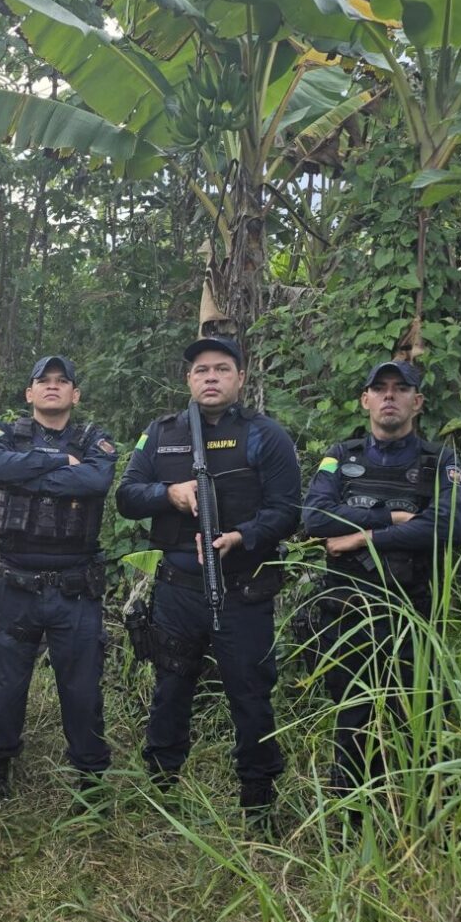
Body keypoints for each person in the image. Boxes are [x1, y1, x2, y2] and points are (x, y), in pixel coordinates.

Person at [115, 336, 300, 822]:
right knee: (170, 690)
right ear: (188, 380)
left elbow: (288, 511)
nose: (211, 377)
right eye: (201, 370)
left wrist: (242, 536)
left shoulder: (266, 435)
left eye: (222, 369)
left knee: (250, 694)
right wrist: (168, 494)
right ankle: (161, 796)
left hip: (243, 590)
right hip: (178, 589)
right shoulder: (160, 433)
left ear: (240, 377)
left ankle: (258, 803)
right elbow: (127, 496)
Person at [301, 358, 461, 806]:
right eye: (380, 388)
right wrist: (391, 517)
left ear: (418, 401)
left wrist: (363, 536)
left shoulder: (440, 460)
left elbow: (450, 526)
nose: (389, 395)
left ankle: (418, 818)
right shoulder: (341, 455)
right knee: (352, 721)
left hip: (414, 616)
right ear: (365, 400)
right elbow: (315, 518)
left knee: (416, 723)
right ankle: (352, 821)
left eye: (400, 388)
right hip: (349, 615)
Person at [0, 355, 116, 798]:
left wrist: (33, 474)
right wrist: (62, 462)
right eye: (44, 381)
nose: (53, 387)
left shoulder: (96, 438)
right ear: (30, 393)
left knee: (82, 694)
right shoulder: (3, 434)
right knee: (4, 689)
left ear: (75, 394)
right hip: (15, 585)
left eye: (63, 382)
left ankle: (90, 786)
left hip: (75, 588)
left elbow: (95, 482)